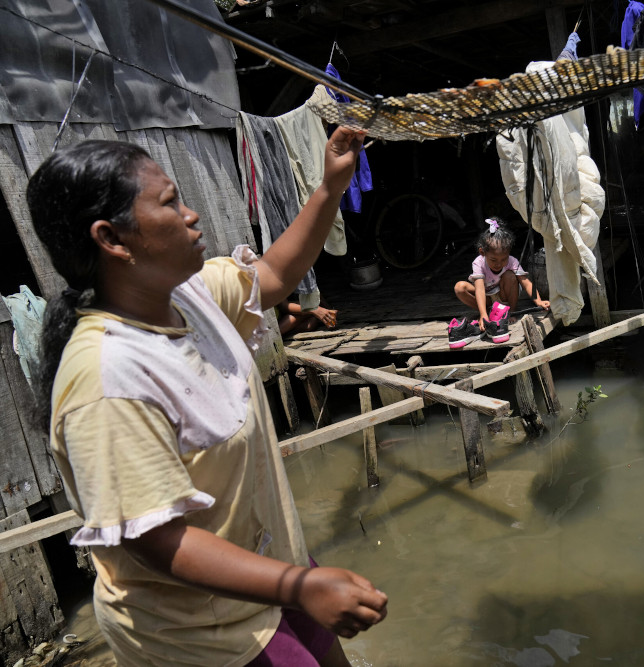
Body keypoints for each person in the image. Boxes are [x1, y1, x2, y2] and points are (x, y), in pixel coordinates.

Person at [26, 127, 387, 667]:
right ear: (113, 239)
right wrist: (296, 586)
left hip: (270, 565)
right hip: (204, 628)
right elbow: (157, 539)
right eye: (171, 203)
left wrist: (329, 186)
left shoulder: (186, 296)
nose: (193, 215)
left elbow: (273, 274)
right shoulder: (108, 377)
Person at [452, 216, 549, 333]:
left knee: (510, 276)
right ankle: (487, 313)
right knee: (459, 287)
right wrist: (482, 314)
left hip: (504, 296)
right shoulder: (479, 263)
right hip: (487, 297)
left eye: (504, 259)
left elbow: (526, 283)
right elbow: (480, 289)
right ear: (482, 253)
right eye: (493, 260)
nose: (499, 264)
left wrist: (538, 301)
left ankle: (511, 312)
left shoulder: (512, 262)